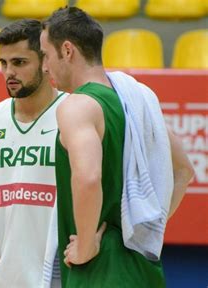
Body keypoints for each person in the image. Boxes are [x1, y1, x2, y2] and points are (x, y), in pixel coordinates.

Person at [39, 7, 194, 287]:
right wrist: (143, 227)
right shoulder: (136, 102)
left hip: (99, 271)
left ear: (67, 50)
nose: (44, 67)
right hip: (143, 267)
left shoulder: (77, 106)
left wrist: (86, 246)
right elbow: (184, 170)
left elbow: (88, 178)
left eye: (46, 56)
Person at [0, 19, 67, 288]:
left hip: (60, 273)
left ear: (45, 61)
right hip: (6, 276)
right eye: (3, 63)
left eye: (19, 63)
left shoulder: (73, 114)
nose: (9, 72)